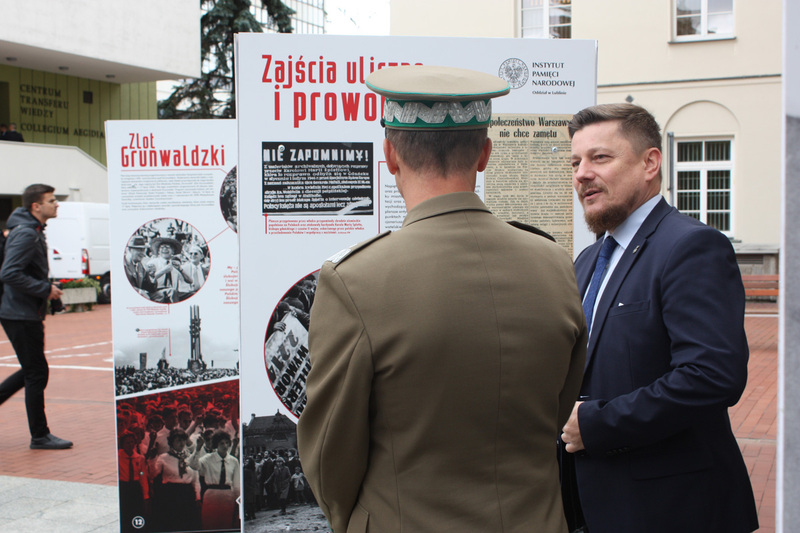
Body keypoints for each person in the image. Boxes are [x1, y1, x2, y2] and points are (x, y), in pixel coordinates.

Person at [297, 65, 587, 533]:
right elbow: (558, 403)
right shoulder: (553, 263)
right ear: (486, 154)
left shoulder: (355, 280)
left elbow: (331, 450)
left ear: (389, 155)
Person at [560, 103, 759, 533]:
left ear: (650, 162)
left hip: (672, 510)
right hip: (593, 506)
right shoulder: (589, 259)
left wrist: (597, 424)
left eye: (600, 158)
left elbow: (712, 376)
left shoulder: (691, 246)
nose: (581, 173)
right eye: (575, 162)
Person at [0, 183, 71, 449]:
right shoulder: (27, 234)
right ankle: (39, 435)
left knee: (32, 371)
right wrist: (45, 289)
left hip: (22, 312)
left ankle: (40, 434)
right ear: (36, 206)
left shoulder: (32, 230)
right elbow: (9, 273)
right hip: (19, 314)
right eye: (52, 200)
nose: (57, 204)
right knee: (36, 372)